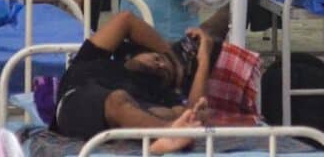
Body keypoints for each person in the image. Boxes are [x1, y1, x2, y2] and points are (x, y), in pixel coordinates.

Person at [52, 11, 210, 152]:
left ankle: (170, 134)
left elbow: (191, 114)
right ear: (138, 52)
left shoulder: (158, 93)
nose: (160, 65)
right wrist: (173, 58)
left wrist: (203, 61)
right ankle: (169, 134)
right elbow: (126, 20)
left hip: (129, 116)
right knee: (118, 98)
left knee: (176, 112)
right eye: (158, 58)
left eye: (165, 72)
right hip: (75, 104)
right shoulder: (93, 59)